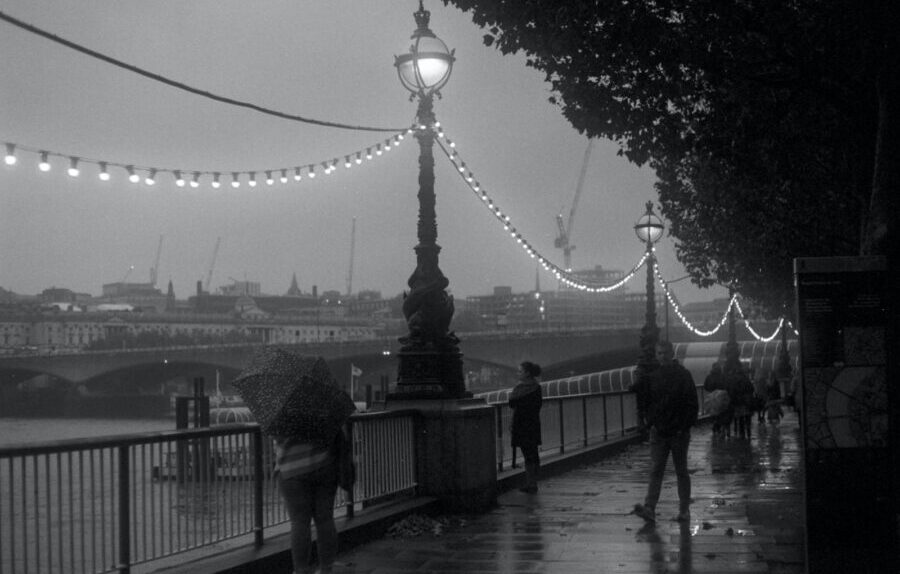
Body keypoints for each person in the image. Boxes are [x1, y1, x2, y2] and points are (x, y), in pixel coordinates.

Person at [632, 341, 699, 523]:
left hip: (677, 432)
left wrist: (683, 426)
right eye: (659, 353)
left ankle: (683, 510)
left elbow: (692, 404)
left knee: (680, 471)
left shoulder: (682, 375)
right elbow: (646, 401)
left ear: (671, 353)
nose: (662, 356)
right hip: (661, 431)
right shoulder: (655, 376)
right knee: (657, 470)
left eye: (664, 353)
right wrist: (651, 421)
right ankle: (650, 508)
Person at [274, 427, 348, 574]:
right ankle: (327, 569)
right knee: (325, 519)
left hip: (292, 468)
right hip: (324, 465)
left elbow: (275, 434)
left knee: (300, 522)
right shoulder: (326, 405)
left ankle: (301, 570)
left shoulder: (281, 408)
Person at [509, 361, 543, 493]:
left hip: (521, 425)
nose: (518, 373)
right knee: (533, 453)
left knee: (527, 454)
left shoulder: (519, 388)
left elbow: (511, 403)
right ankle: (533, 482)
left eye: (520, 371)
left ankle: (531, 483)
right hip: (533, 424)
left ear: (527, 373)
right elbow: (537, 406)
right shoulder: (537, 387)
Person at [702, 362, 729, 436]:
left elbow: (705, 386)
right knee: (721, 412)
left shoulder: (709, 376)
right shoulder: (722, 376)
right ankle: (718, 426)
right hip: (721, 396)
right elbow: (726, 385)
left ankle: (715, 425)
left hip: (712, 397)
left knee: (713, 413)